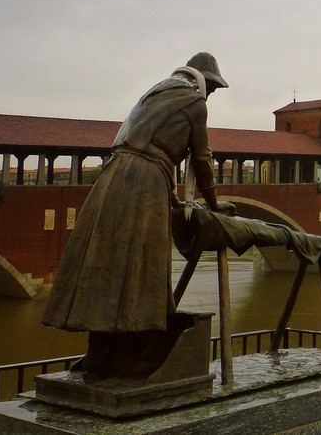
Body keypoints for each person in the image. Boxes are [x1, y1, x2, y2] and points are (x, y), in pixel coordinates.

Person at [42, 52, 229, 333]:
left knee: (106, 252)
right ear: (204, 81)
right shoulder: (194, 102)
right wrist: (214, 203)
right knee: (146, 256)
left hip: (113, 175)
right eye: (213, 88)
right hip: (146, 180)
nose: (211, 94)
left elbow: (150, 145)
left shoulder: (154, 93)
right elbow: (201, 158)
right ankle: (140, 333)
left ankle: (104, 337)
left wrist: (175, 199)